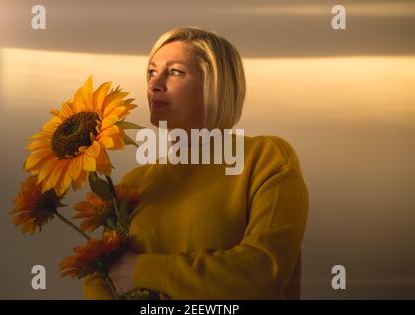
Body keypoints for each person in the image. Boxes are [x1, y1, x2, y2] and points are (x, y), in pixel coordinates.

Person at [83, 27, 309, 300]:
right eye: (151, 72)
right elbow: (100, 278)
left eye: (175, 72)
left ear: (215, 84)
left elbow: (262, 273)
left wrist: (144, 270)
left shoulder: (265, 158)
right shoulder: (132, 183)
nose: (154, 84)